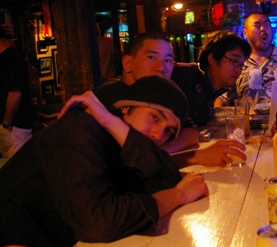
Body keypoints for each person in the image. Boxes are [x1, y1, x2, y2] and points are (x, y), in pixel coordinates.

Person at [0, 76, 209, 247]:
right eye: (155, 117)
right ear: (126, 108)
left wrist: (113, 123)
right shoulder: (77, 129)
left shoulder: (120, 144)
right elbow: (100, 222)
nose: (158, 134)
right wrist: (179, 195)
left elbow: (165, 181)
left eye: (168, 131)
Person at [95, 32, 245, 167]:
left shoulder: (161, 96)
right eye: (152, 57)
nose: (161, 67)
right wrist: (192, 157)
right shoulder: (110, 95)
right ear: (127, 63)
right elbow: (127, 168)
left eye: (167, 60)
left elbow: (191, 133)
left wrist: (161, 154)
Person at [171, 29, 251, 137]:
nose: (238, 70)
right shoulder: (182, 74)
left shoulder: (215, 89)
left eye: (241, 65)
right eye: (234, 61)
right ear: (212, 59)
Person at [0, 20, 35, 158]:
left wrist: (6, 123)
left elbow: (15, 94)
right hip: (3, 127)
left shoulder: (12, 59)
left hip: (14, 128)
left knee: (15, 165)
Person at [235, 12, 277, 110]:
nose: (263, 29)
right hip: (249, 119)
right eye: (257, 25)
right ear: (245, 33)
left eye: (266, 24)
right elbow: (223, 98)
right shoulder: (238, 63)